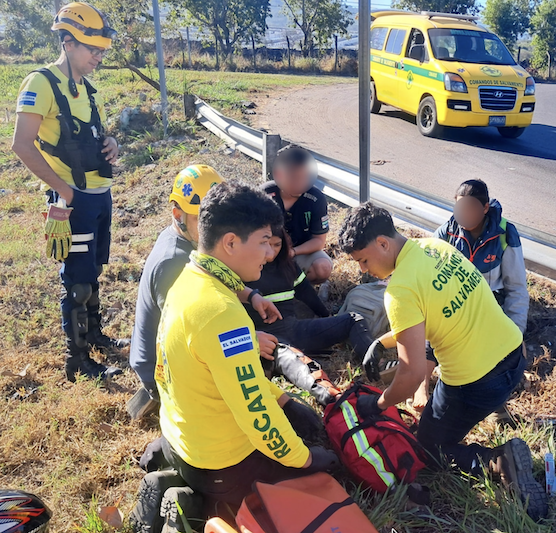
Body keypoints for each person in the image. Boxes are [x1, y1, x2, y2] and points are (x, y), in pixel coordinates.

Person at [338, 203, 548, 521]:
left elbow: (410, 375)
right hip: (515, 358)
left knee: (429, 449)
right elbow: (435, 311)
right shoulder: (435, 247)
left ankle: (500, 462)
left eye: (364, 260)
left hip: (478, 383)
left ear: (382, 243)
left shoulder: (398, 292)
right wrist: (383, 341)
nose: (365, 270)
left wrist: (379, 405)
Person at [149, 181, 339, 515]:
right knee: (325, 472)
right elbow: (256, 414)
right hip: (220, 464)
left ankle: (176, 476)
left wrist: (284, 400)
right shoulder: (223, 313)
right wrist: (305, 458)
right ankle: (193, 504)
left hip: (180, 436)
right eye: (265, 242)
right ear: (231, 242)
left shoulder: (188, 279)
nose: (271, 253)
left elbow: (229, 376)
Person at [12, 2, 124, 382]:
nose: (98, 57)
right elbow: (21, 145)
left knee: (93, 270)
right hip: (73, 197)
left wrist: (112, 144)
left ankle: (94, 335)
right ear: (67, 41)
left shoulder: (88, 89)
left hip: (99, 194)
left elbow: (99, 134)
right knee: (76, 281)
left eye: (101, 51)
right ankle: (77, 360)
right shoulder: (40, 83)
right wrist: (64, 191)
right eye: (92, 49)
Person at [127, 165, 282, 420]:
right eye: (198, 217)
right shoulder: (174, 261)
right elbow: (189, 327)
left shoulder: (186, 240)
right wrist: (250, 340)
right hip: (161, 368)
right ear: (177, 214)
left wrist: (251, 296)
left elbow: (216, 271)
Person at [415, 179, 530, 410]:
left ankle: (495, 399)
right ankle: (421, 387)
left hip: (490, 303)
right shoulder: (446, 232)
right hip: (454, 300)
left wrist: (515, 333)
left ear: (485, 208)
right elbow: (425, 273)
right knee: (432, 329)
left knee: (488, 347)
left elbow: (516, 289)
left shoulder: (504, 234)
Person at [243, 225, 382, 377]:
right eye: (267, 244)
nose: (271, 252)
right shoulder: (244, 269)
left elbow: (306, 293)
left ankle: (376, 363)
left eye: (277, 245)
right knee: (288, 364)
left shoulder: (287, 266)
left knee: (353, 319)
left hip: (295, 329)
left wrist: (326, 316)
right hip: (267, 338)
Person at [262, 145, 333, 284]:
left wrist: (292, 252)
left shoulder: (316, 199)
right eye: (294, 177)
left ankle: (302, 289)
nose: (300, 183)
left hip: (299, 253)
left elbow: (319, 241)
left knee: (322, 267)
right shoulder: (264, 194)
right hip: (266, 252)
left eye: (304, 177)